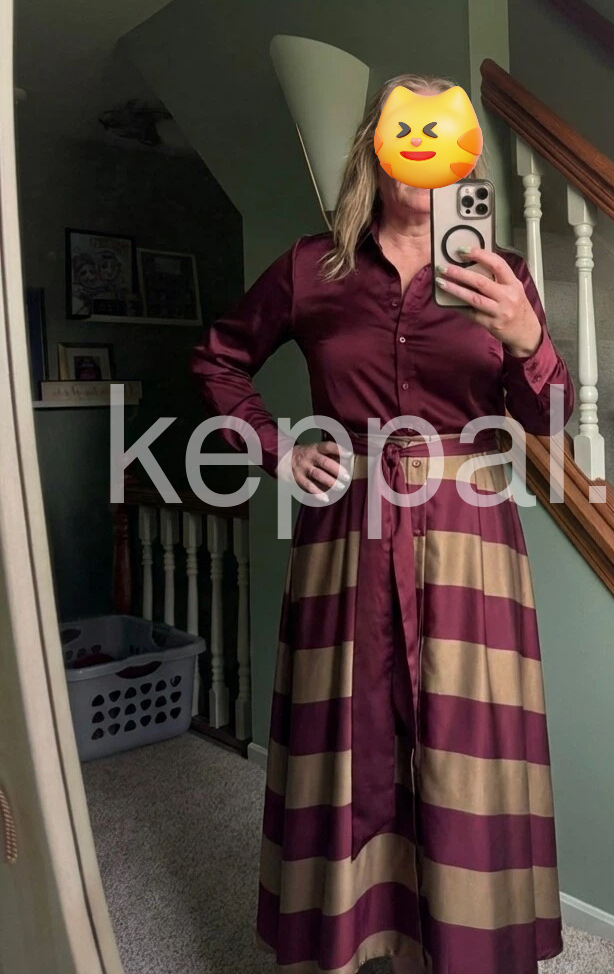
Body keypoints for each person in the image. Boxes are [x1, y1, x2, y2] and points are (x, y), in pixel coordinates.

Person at [189, 73, 574, 974]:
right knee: (348, 735)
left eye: (447, 140)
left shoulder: (500, 275)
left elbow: (550, 416)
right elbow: (217, 359)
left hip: (470, 532)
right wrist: (278, 449)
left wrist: (528, 338)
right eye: (408, 137)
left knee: (464, 745)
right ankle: (351, 939)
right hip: (347, 528)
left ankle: (464, 943)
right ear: (375, 146)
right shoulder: (311, 268)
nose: (426, 158)